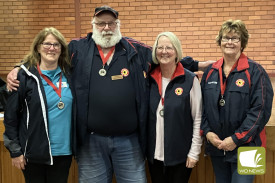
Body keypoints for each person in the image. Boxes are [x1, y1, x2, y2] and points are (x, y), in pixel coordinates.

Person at [6, 5, 214, 183]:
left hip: (129, 141)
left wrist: (196, 64)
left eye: (111, 23)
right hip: (90, 142)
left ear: (118, 25)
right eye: (101, 23)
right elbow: (49, 54)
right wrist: (19, 67)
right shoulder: (78, 48)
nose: (106, 27)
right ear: (93, 25)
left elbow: (163, 55)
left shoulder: (132, 48)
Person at [200, 19, 274, 183]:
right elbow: (201, 108)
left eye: (235, 38)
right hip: (218, 146)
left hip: (250, 147)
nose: (230, 42)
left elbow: (260, 111)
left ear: (243, 42)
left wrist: (236, 139)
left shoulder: (257, 72)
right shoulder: (210, 72)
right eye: (226, 37)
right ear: (220, 41)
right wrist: (208, 132)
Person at [3, 27, 73, 183]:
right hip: (34, 153)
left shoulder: (70, 74)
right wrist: (15, 151)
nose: (52, 48)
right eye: (47, 43)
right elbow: (10, 117)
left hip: (64, 152)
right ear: (38, 47)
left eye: (56, 44)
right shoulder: (23, 76)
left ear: (61, 49)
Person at [147, 32, 202, 183]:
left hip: (181, 156)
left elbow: (198, 118)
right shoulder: (149, 79)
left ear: (177, 51)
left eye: (169, 48)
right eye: (160, 47)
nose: (164, 51)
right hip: (154, 156)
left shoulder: (190, 80)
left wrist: (194, 152)